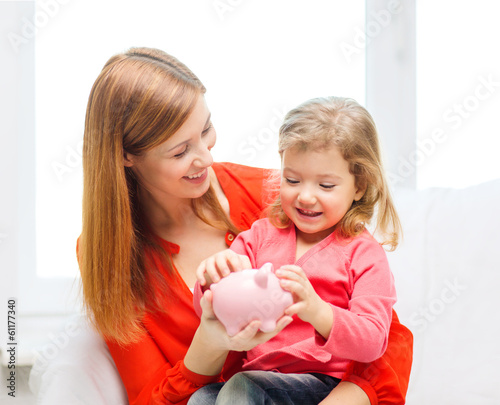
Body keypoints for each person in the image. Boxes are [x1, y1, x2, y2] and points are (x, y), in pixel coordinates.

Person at [78, 47, 413, 405]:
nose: (207, 158)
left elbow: (383, 338)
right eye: (180, 151)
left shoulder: (283, 199)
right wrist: (210, 337)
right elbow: (151, 397)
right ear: (126, 156)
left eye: (206, 129)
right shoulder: (107, 252)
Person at [191, 96, 403, 404]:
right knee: (201, 399)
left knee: (241, 389)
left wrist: (317, 310)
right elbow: (208, 311)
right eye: (292, 179)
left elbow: (373, 340)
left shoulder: (363, 254)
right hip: (258, 379)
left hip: (320, 385)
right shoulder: (259, 237)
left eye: (325, 186)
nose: (305, 196)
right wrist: (213, 281)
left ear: (359, 185)